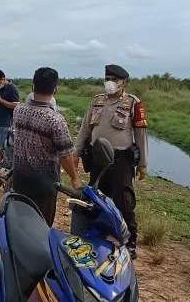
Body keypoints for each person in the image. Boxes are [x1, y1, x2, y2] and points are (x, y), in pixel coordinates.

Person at [74, 64, 148, 259]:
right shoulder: (97, 101)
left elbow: (141, 135)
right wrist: (76, 153)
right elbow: (84, 130)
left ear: (124, 82)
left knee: (124, 201)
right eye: (108, 78)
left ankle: (130, 242)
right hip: (97, 158)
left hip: (120, 160)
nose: (110, 83)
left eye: (115, 80)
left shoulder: (133, 103)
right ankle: (97, 236)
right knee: (95, 199)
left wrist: (143, 164)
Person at [12, 67, 81, 226]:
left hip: (19, 179)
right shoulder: (55, 120)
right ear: (55, 88)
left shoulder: (18, 110)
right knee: (41, 227)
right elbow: (65, 155)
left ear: (33, 85)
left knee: (20, 224)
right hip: (43, 185)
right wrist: (74, 179)